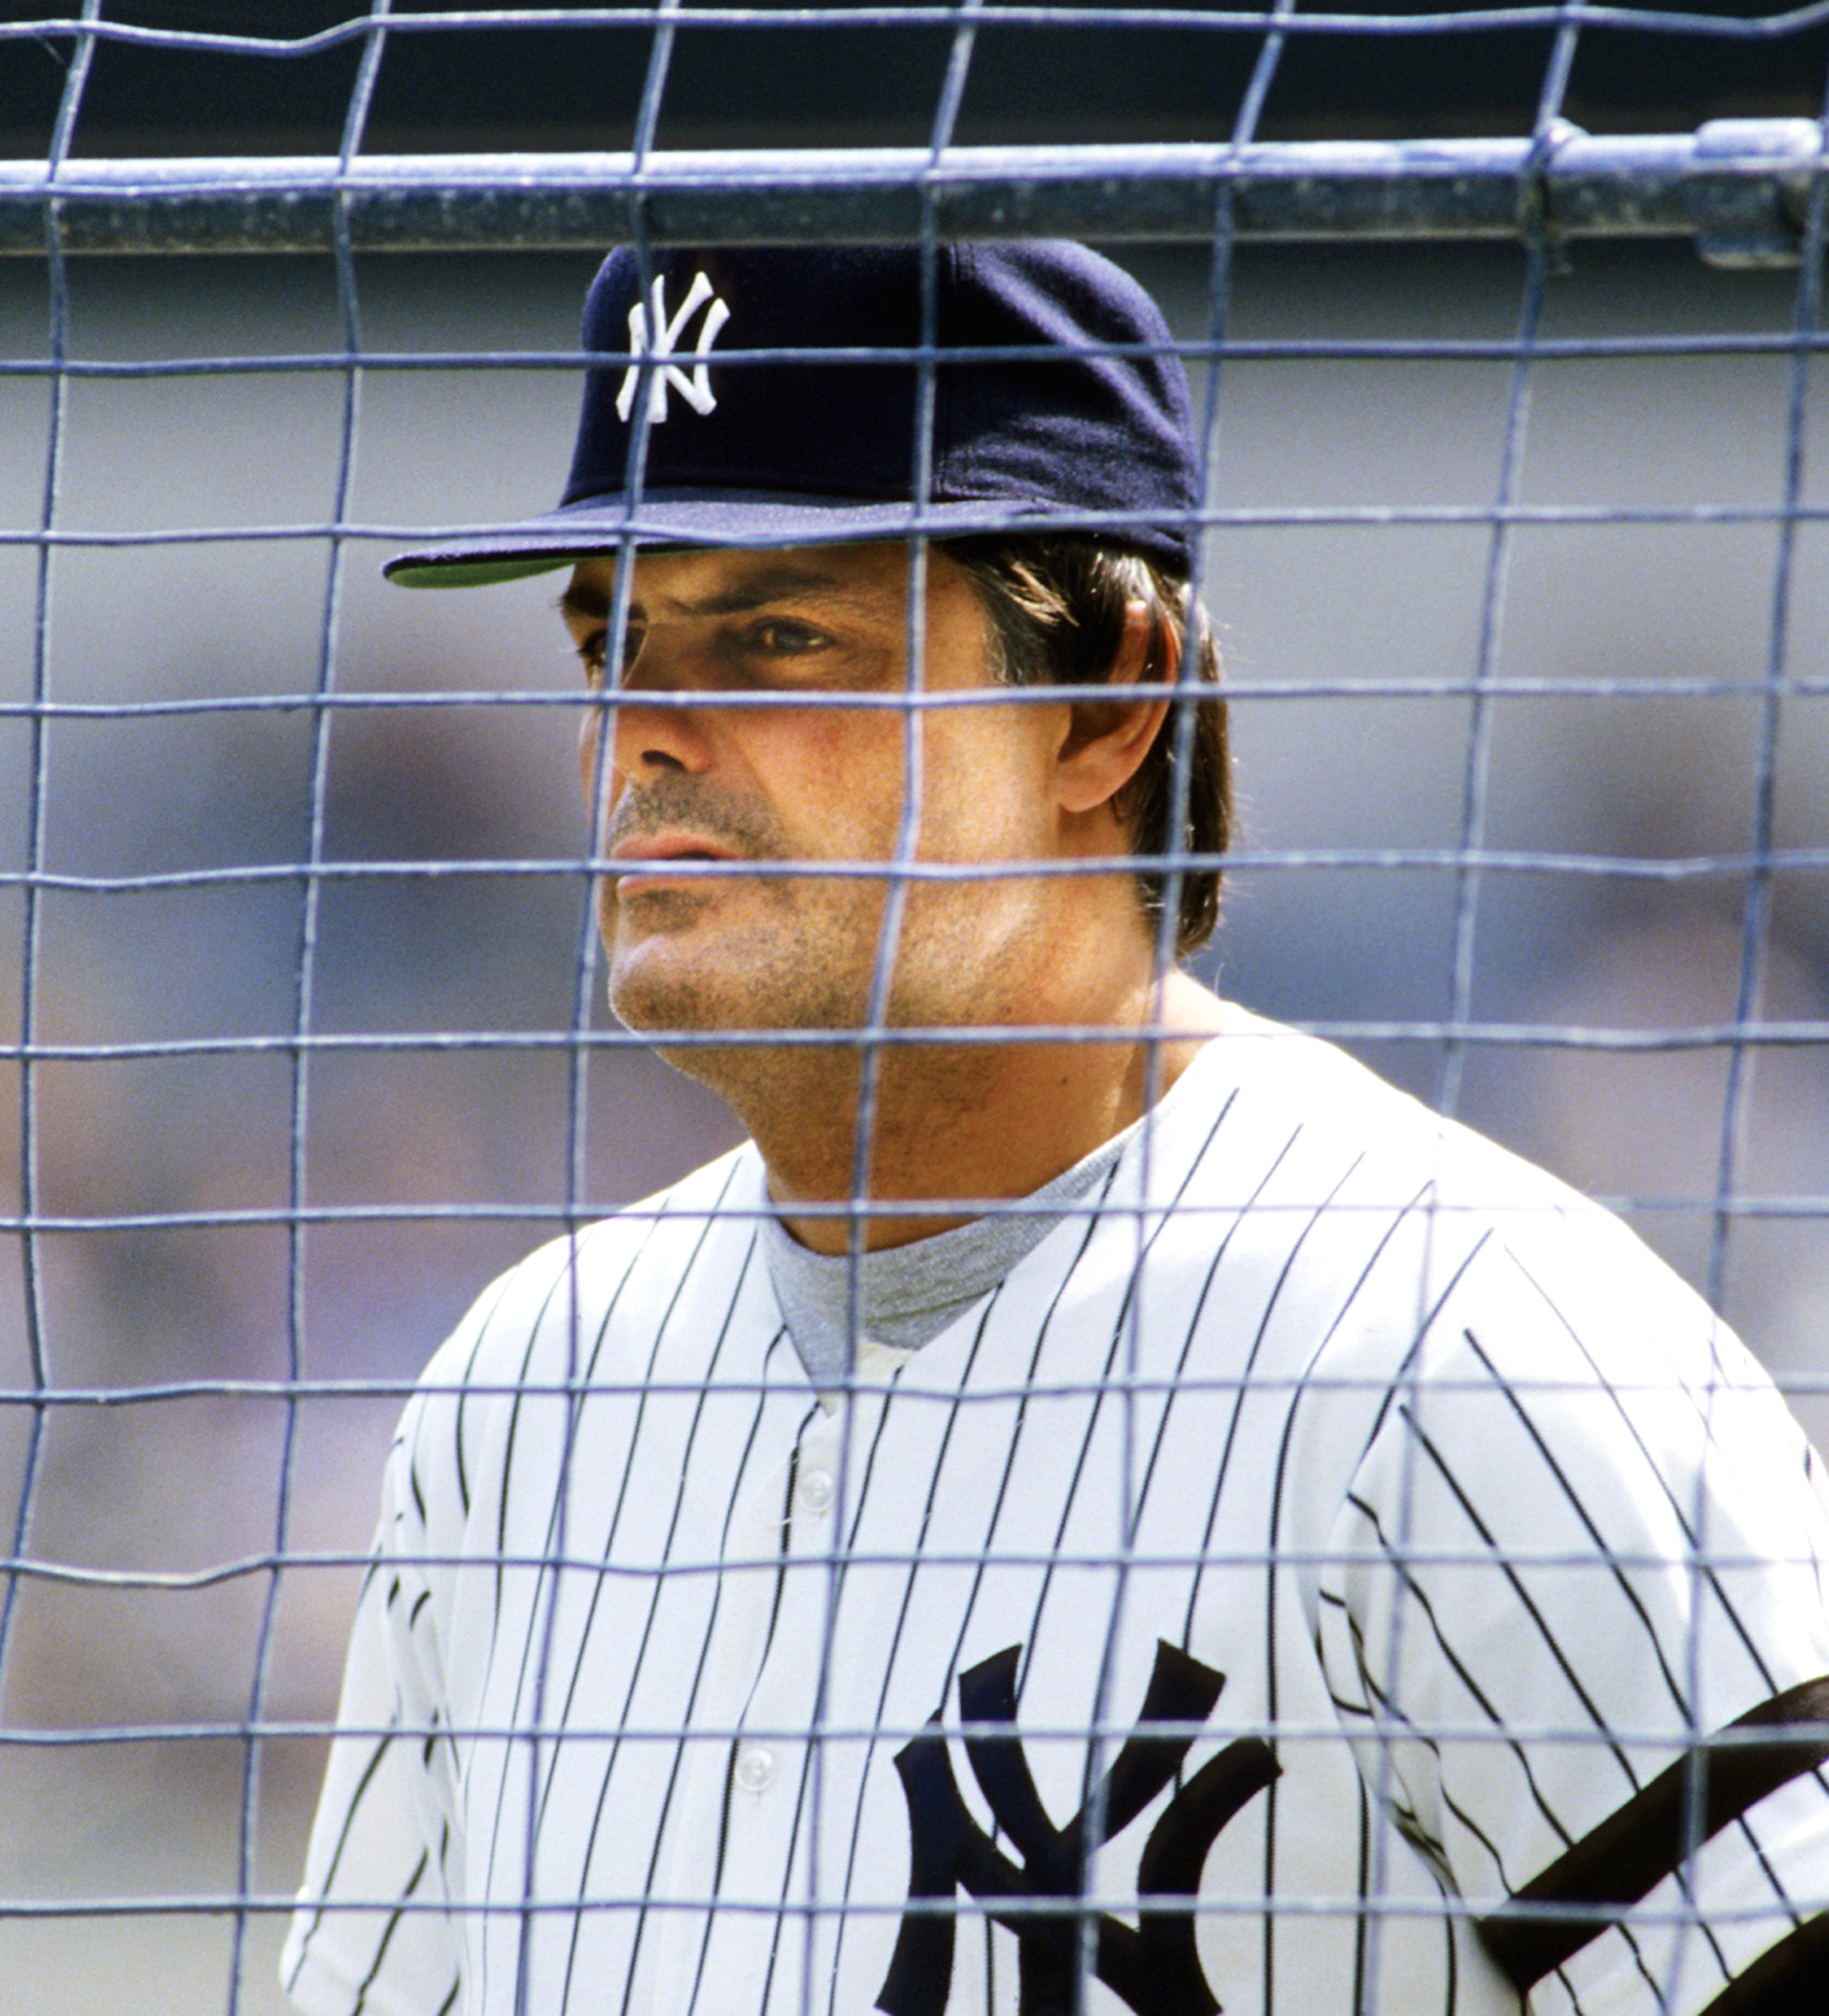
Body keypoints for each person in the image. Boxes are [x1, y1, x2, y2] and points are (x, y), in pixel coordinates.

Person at [281, 243, 1829, 2016]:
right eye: (608, 640)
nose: (640, 731)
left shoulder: (1477, 1351)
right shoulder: (517, 1402)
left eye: (774, 637)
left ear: (1104, 699)